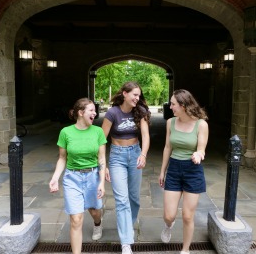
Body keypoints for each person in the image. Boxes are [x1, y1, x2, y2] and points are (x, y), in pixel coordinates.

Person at [49, 98, 107, 254]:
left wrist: (101, 182)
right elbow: (62, 158)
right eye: (91, 110)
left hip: (93, 177)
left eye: (95, 110)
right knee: (76, 219)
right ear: (81, 113)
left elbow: (101, 159)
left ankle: (97, 223)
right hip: (72, 179)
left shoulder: (98, 131)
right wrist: (55, 178)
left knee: (95, 212)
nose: (95, 113)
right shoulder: (66, 132)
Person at [102, 81, 151, 254]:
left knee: (134, 198)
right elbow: (102, 140)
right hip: (117, 156)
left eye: (139, 95)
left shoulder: (141, 111)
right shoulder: (112, 113)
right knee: (122, 200)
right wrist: (104, 165)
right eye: (134, 95)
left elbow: (145, 136)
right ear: (124, 93)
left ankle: (128, 225)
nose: (137, 98)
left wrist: (143, 155)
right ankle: (125, 242)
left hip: (135, 154)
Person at [159, 89, 209, 254]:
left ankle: (185, 249)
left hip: (192, 171)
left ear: (183, 105)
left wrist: (197, 154)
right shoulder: (170, 122)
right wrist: (162, 171)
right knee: (169, 216)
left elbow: (201, 150)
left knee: (188, 216)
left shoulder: (201, 124)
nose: (170, 107)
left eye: (173, 104)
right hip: (174, 169)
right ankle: (168, 226)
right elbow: (168, 147)